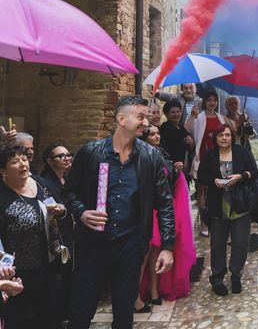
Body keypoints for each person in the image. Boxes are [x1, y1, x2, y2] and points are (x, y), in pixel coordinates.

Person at [62, 95, 175, 329]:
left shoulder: (151, 157)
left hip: (130, 246)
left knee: (124, 314)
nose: (147, 122)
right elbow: (68, 193)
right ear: (121, 119)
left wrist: (167, 246)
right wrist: (82, 212)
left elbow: (164, 203)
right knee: (81, 312)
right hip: (93, 244)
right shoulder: (90, 153)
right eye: (141, 116)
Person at [0, 144, 67, 329]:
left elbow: (59, 206)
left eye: (23, 159)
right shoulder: (2, 195)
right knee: (20, 319)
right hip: (17, 272)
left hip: (48, 263)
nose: (22, 164)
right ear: (3, 170)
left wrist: (60, 211)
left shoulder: (39, 183)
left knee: (48, 316)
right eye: (15, 161)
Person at [135, 125, 195, 311]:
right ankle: (135, 296)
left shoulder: (162, 153)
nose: (156, 136)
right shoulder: (139, 155)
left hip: (160, 210)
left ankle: (154, 289)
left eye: (158, 133)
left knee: (156, 252)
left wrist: (176, 171)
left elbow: (167, 184)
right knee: (143, 255)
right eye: (152, 134)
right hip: (146, 210)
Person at [197, 124, 258, 296]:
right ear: (215, 138)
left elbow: (254, 172)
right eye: (220, 135)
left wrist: (241, 176)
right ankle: (217, 278)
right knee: (217, 245)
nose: (224, 138)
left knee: (240, 244)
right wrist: (214, 180)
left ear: (232, 137)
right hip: (218, 206)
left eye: (227, 135)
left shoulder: (241, 152)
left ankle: (236, 276)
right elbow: (200, 176)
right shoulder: (209, 155)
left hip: (240, 206)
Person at [41, 143, 75, 325]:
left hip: (70, 230)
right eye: (61, 156)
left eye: (68, 154)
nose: (66, 158)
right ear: (49, 161)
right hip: (58, 233)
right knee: (60, 272)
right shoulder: (45, 181)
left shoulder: (67, 179)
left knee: (70, 271)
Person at [186, 90, 227, 237]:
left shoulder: (221, 118)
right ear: (205, 102)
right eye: (209, 100)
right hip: (203, 158)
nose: (212, 103)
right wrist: (192, 116)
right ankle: (204, 221)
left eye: (214, 100)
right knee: (202, 190)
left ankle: (218, 218)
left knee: (219, 189)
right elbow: (190, 133)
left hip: (218, 159)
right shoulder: (199, 118)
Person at [159, 99, 194, 167]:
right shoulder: (165, 127)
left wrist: (191, 142)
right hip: (171, 166)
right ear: (166, 114)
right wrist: (192, 116)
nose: (176, 114)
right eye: (172, 112)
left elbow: (189, 143)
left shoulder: (180, 126)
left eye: (178, 111)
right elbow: (179, 134)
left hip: (184, 166)